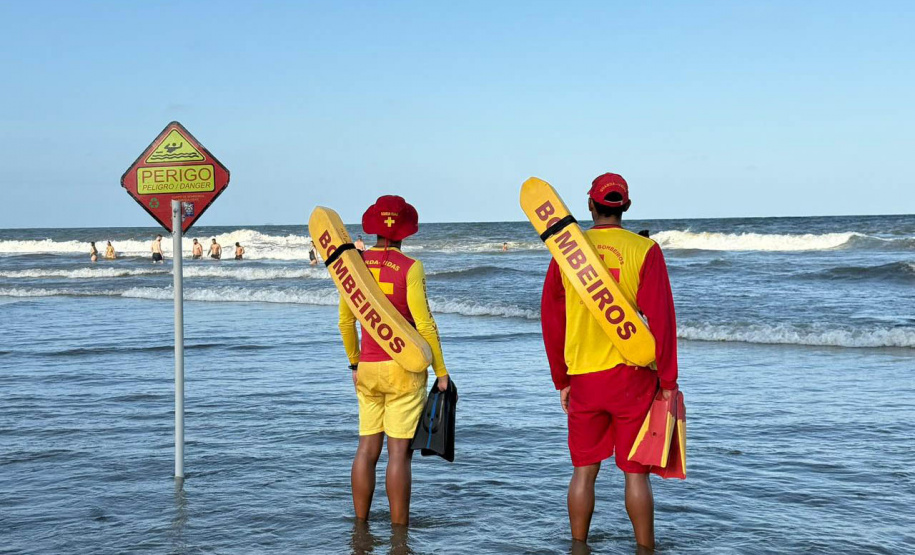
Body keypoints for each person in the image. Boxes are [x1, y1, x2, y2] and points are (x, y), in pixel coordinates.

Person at [540, 173, 679, 550]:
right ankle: (645, 549)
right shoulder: (644, 250)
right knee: (636, 476)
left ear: (590, 205)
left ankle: (578, 546)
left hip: (584, 376)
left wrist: (561, 380)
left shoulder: (569, 252)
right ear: (627, 207)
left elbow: (552, 319)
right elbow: (663, 321)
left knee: (584, 472)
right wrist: (668, 381)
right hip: (633, 379)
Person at [338, 195, 451, 526]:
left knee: (366, 450)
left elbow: (345, 321)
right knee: (399, 454)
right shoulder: (411, 268)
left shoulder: (353, 268)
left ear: (373, 227)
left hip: (369, 370)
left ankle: (360, 526)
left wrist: (355, 364)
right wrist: (440, 371)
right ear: (405, 231)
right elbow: (425, 322)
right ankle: (399, 534)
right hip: (404, 369)